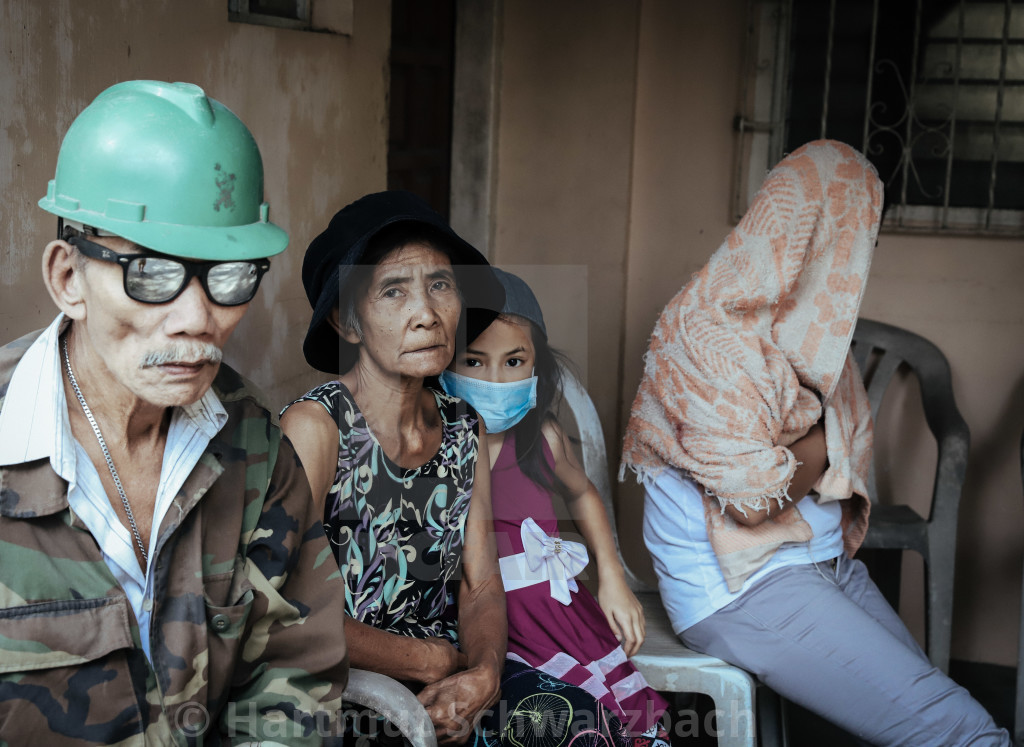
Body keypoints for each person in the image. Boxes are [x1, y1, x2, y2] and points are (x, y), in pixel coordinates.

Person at [0, 80, 347, 746]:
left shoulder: (252, 438)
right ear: (68, 279)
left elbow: (294, 675)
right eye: (152, 274)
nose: (199, 318)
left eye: (230, 276)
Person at [621, 139, 1010, 745]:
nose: (862, 261)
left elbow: (795, 466)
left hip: (823, 565)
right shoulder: (703, 331)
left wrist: (802, 446)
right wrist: (826, 437)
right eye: (859, 239)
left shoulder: (817, 336)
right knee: (966, 732)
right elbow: (752, 502)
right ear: (819, 235)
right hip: (742, 587)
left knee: (934, 713)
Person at [281, 190, 634, 746]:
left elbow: (480, 582)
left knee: (583, 728)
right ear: (346, 322)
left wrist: (485, 675)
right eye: (394, 290)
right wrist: (430, 660)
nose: (426, 314)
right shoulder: (317, 427)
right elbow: (288, 611)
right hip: (341, 685)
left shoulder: (461, 424)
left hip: (454, 674)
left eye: (440, 285)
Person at [439, 268, 671, 744]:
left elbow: (583, 494)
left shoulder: (542, 438)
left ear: (536, 368)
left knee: (623, 719)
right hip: (490, 625)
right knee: (557, 720)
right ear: (443, 364)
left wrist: (611, 578)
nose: (495, 378)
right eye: (474, 362)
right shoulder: (435, 449)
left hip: (556, 614)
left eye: (514, 361)